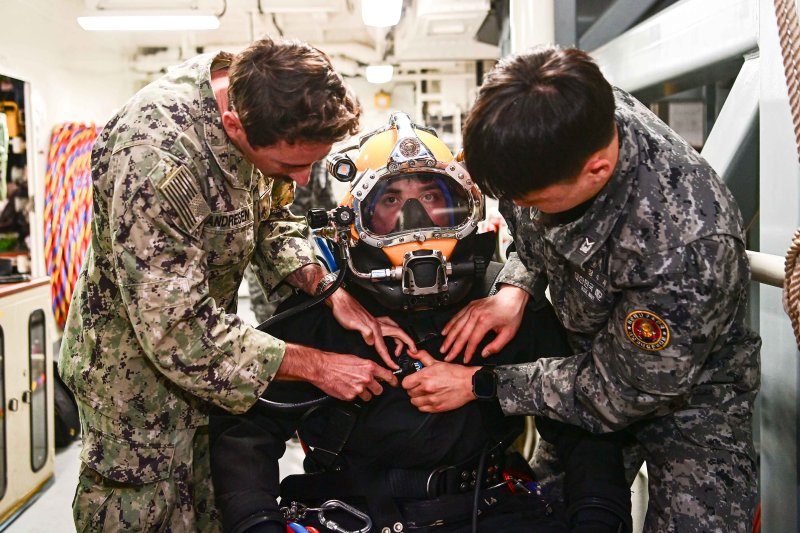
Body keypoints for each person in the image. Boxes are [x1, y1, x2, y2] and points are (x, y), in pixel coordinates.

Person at [210, 111, 632, 533]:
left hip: (486, 509)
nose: (414, 217)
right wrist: (257, 524)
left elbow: (581, 431)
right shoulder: (327, 311)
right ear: (354, 216)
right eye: (391, 200)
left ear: (465, 203)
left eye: (431, 196)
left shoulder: (500, 304)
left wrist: (597, 517)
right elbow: (245, 431)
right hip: (350, 515)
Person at [57, 37, 414, 532]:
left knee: (211, 508)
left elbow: (274, 213)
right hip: (136, 388)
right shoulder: (155, 163)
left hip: (209, 363)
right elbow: (178, 334)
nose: (302, 175)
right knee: (147, 516)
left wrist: (326, 288)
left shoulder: (265, 98)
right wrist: (317, 365)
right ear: (232, 127)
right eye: (292, 166)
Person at [402, 46, 762, 532]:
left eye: (530, 199)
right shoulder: (547, 115)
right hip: (577, 367)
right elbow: (530, 233)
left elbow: (620, 390)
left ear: (596, 169)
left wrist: (478, 384)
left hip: (684, 397)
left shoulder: (685, 243)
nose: (518, 205)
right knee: (540, 513)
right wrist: (516, 288)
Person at [244, 159, 338, 323]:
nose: (303, 178)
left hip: (298, 252)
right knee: (269, 317)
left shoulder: (315, 161)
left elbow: (326, 204)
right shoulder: (267, 158)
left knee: (299, 312)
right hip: (261, 259)